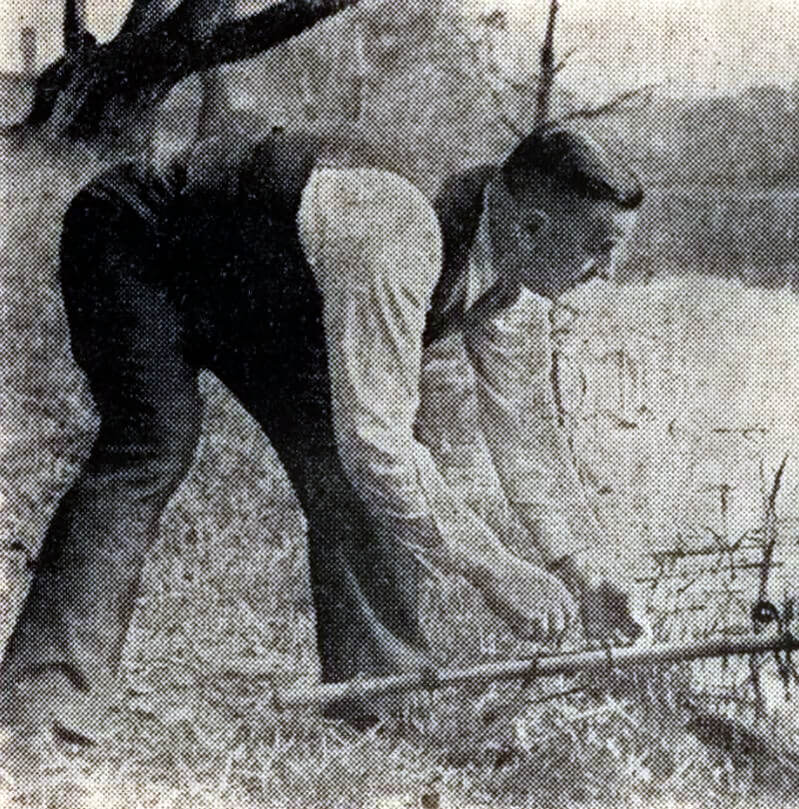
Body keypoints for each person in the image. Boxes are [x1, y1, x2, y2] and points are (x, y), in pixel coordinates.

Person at [0, 124, 644, 740]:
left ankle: (378, 700)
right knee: (153, 444)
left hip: (254, 295)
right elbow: (379, 442)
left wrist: (579, 568)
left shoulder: (516, 280)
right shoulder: (395, 229)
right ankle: (43, 697)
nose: (606, 271)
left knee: (343, 473)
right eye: (597, 247)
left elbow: (526, 439)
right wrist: (496, 567)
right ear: (529, 224)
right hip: (140, 243)